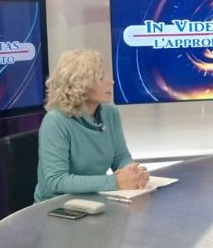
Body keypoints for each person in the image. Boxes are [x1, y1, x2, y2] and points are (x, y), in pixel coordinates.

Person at [34, 49, 148, 202]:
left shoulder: (110, 112)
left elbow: (120, 157)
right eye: (101, 78)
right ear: (79, 84)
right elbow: (57, 180)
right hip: (56, 206)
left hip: (95, 199)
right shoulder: (55, 121)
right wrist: (114, 182)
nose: (111, 82)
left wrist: (134, 174)